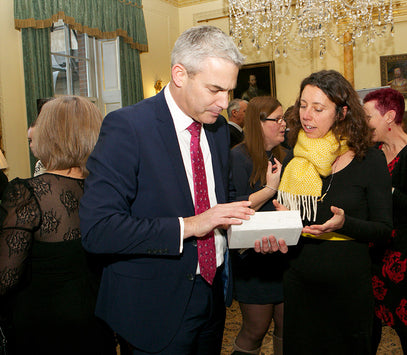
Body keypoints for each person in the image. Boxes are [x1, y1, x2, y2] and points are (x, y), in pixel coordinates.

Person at [79, 25, 287, 355]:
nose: (226, 103)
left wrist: (254, 234)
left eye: (230, 91)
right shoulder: (128, 127)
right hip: (153, 306)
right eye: (215, 89)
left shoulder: (218, 130)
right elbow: (98, 230)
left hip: (213, 295)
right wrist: (192, 224)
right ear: (180, 74)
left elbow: (219, 207)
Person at [275, 70, 393, 354]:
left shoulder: (369, 159)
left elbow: (383, 229)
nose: (306, 115)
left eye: (318, 108)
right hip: (299, 279)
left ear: (342, 113)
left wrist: (344, 223)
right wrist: (280, 224)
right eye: (303, 106)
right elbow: (295, 222)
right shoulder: (295, 156)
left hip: (348, 285)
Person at [0, 96, 116, 354]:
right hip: (98, 319)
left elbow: (5, 277)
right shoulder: (109, 191)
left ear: (49, 134)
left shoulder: (27, 193)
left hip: (43, 325)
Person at [363, 88, 407, 354]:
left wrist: (388, 191)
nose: (364, 123)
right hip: (378, 249)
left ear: (389, 116)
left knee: (405, 326)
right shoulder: (376, 151)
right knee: (371, 321)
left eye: (368, 116)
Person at [229, 96, 288, 355]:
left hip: (284, 255)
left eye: (284, 118)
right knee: (255, 330)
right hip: (252, 259)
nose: (284, 124)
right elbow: (235, 207)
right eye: (278, 119)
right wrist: (270, 189)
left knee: (287, 328)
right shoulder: (238, 157)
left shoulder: (285, 155)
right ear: (259, 123)